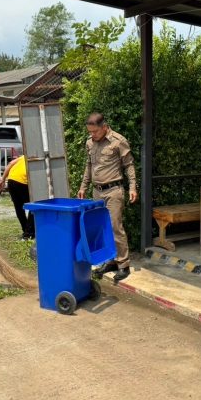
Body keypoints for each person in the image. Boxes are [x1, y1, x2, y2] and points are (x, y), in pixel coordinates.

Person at [77, 112, 138, 282]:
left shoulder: (118, 141)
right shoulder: (90, 143)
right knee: (101, 228)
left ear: (104, 127)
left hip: (113, 191)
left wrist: (133, 187)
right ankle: (110, 260)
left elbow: (129, 165)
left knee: (114, 226)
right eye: (90, 132)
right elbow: (88, 166)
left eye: (95, 131)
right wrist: (83, 187)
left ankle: (123, 265)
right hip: (97, 192)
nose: (92, 135)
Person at [0, 154, 34, 240]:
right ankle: (28, 233)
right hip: (22, 182)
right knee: (34, 205)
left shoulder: (23, 156)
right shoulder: (35, 158)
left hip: (11, 180)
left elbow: (10, 164)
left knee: (19, 208)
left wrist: (2, 180)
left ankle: (25, 232)